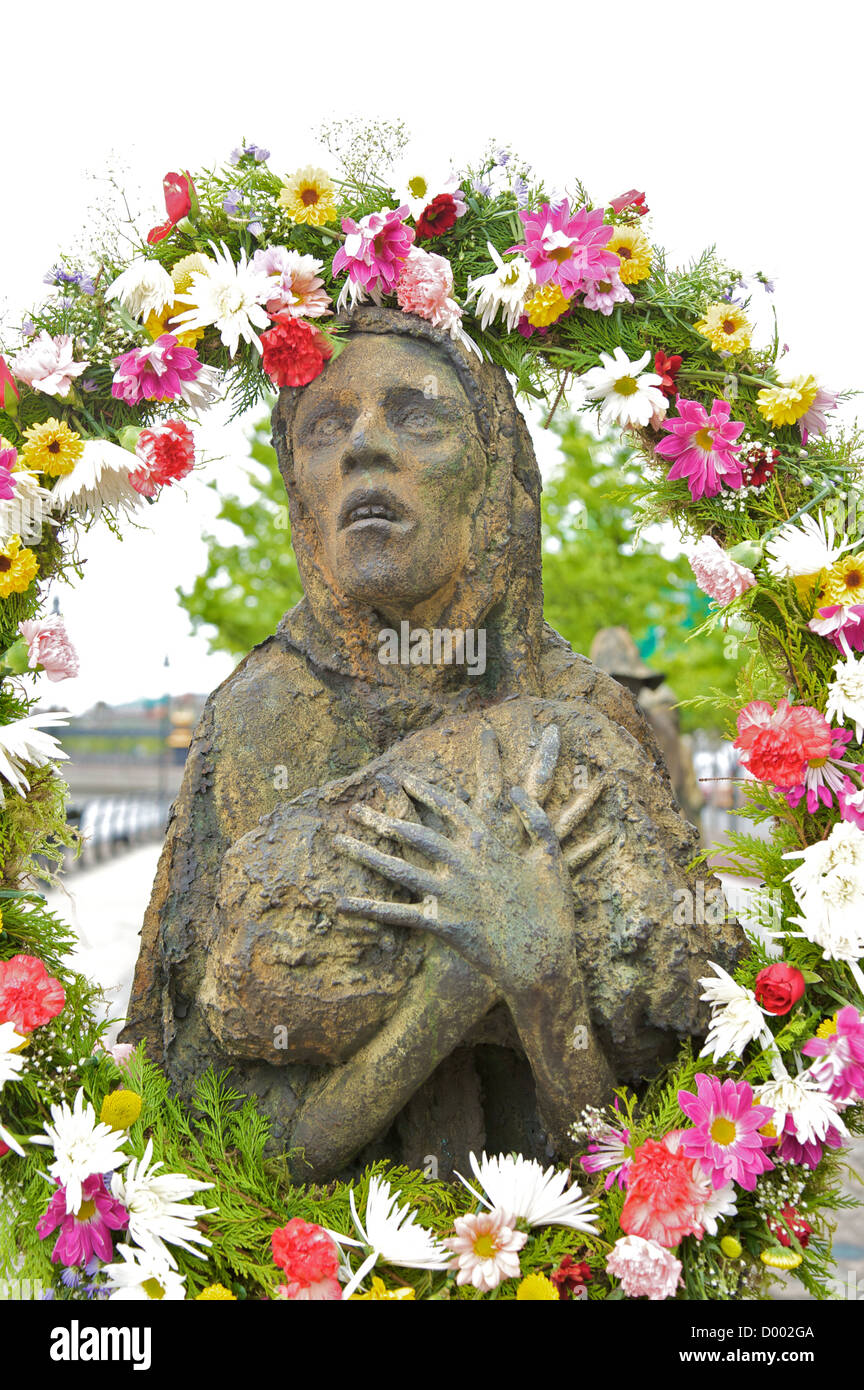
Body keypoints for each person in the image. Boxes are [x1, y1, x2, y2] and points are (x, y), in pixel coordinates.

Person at [122, 307, 742, 1180]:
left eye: (417, 416)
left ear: (494, 478)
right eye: (324, 426)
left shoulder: (584, 717)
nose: (363, 447)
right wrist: (446, 997)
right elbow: (223, 1155)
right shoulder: (257, 720)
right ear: (300, 495)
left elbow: (668, 1164)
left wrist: (544, 988)